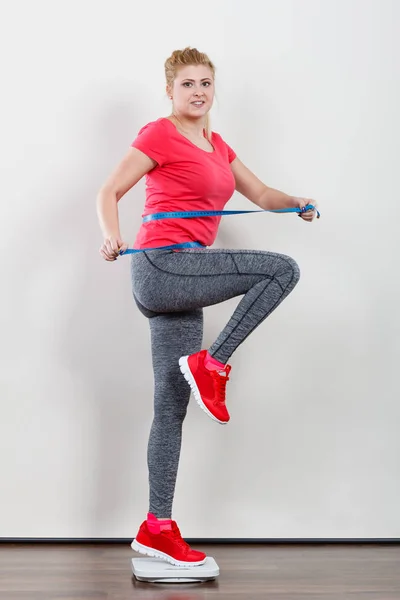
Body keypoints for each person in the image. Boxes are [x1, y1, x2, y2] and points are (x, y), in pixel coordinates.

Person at [96, 47, 317, 567]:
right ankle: (212, 363)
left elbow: (260, 193)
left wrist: (297, 203)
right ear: (170, 91)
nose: (198, 91)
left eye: (205, 84)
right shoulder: (159, 134)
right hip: (163, 264)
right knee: (280, 269)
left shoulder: (218, 146)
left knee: (170, 406)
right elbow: (109, 190)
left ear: (214, 90)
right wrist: (111, 236)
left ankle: (157, 527)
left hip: (185, 277)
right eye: (187, 84)